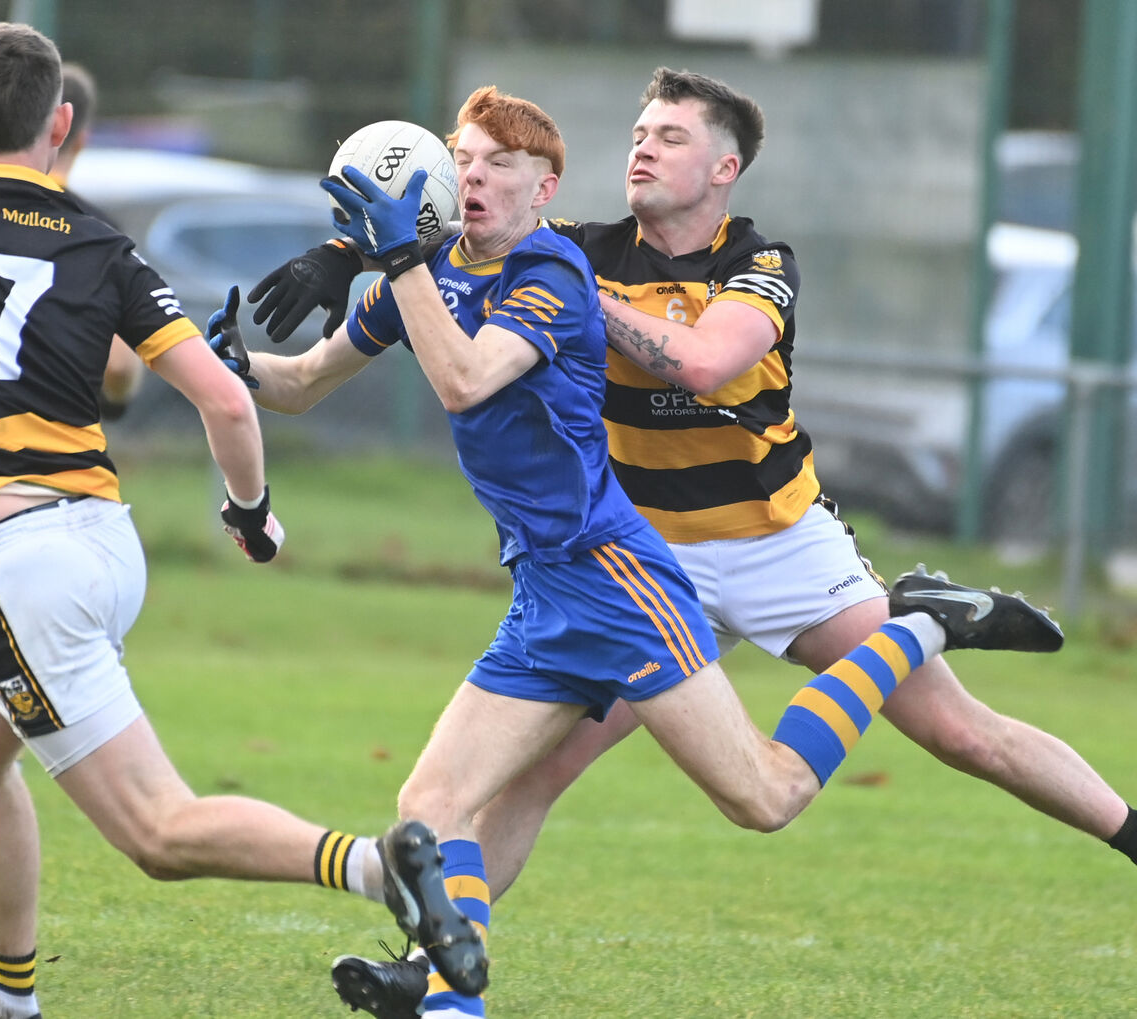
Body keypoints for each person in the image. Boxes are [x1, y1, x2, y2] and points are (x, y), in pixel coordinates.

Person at [241, 68, 1136, 1018]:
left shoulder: (757, 264)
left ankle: (955, 652)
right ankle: (436, 977)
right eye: (638, 131)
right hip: (639, 556)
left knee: (960, 735)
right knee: (532, 774)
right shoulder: (582, 247)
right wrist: (346, 251)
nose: (642, 147)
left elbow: (707, 362)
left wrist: (572, 292)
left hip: (777, 542)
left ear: (724, 166)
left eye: (669, 136)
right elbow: (457, 235)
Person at [0, 24, 483, 1019]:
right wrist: (252, 518)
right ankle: (7, 996)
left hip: (10, 564)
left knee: (157, 830)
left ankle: (376, 869)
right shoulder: (104, 245)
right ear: (60, 126)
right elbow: (227, 402)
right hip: (103, 542)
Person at [50, 61, 144, 419]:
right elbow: (118, 366)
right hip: (52, 446)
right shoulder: (97, 232)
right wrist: (115, 404)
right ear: (81, 138)